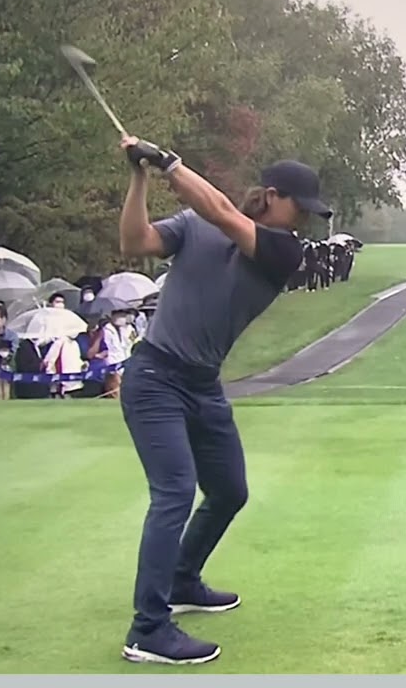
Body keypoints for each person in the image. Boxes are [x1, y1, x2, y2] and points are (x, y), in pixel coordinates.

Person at [114, 135, 326, 665]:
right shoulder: (194, 225)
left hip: (203, 385)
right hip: (155, 376)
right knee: (175, 493)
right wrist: (140, 176)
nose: (304, 220)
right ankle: (148, 629)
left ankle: (182, 579)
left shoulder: (284, 250)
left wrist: (169, 164)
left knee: (229, 490)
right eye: (300, 208)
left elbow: (226, 212)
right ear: (273, 196)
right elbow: (134, 241)